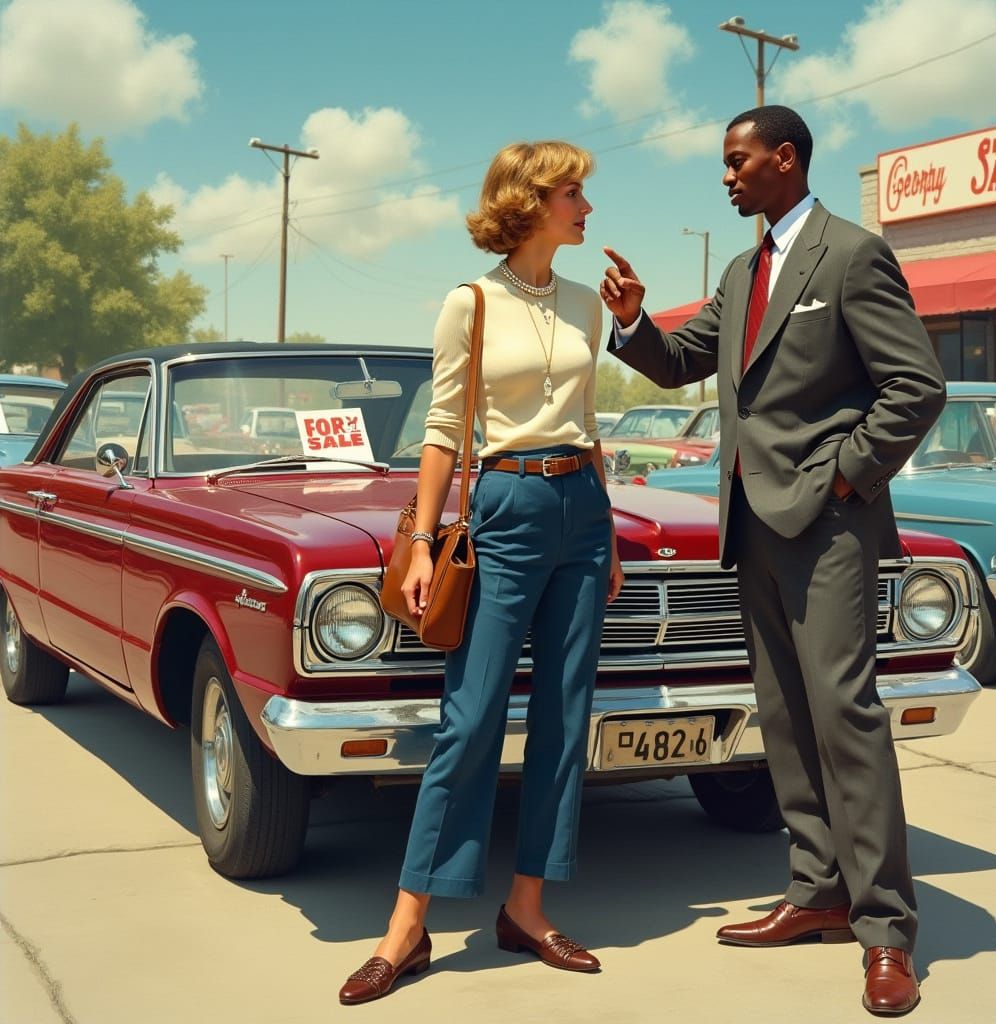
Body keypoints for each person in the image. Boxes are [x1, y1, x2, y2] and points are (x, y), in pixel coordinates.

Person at [600, 105, 945, 1017]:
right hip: (750, 525)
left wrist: (848, 477)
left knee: (845, 716)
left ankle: (886, 932)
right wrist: (634, 324)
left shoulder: (853, 253)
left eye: (737, 160)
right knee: (785, 717)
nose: (725, 176)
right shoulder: (741, 268)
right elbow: (680, 362)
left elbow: (918, 384)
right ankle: (816, 890)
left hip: (828, 526)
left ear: (784, 159)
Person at [339, 140, 624, 1006]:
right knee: (470, 719)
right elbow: (439, 429)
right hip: (502, 506)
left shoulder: (586, 306)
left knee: (566, 715)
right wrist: (423, 541)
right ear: (532, 202)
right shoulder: (470, 303)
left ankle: (527, 908)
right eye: (574, 191)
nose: (586, 205)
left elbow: (587, 422)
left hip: (581, 509)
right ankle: (408, 924)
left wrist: (605, 533)